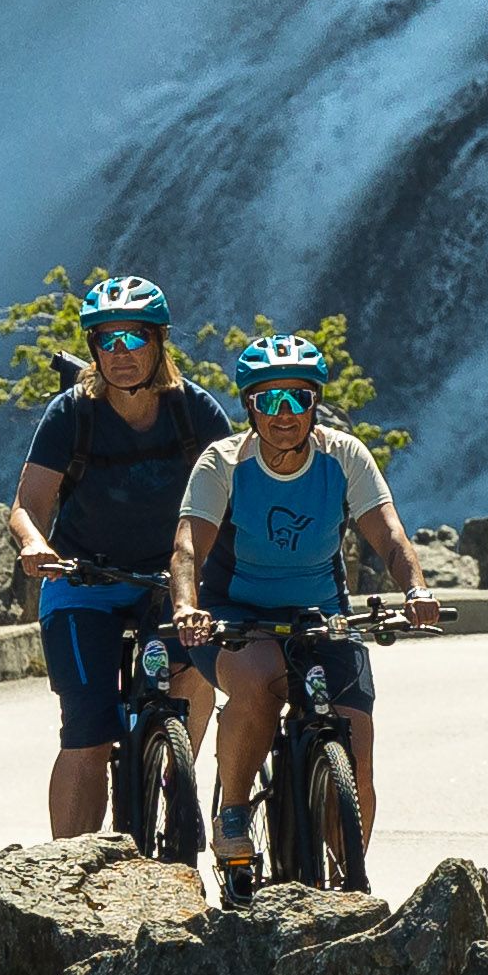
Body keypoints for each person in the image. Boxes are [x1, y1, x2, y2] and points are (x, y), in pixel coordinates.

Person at [167, 334, 440, 876]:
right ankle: (234, 815)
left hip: (322, 616)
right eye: (269, 400)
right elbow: (187, 547)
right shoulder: (224, 462)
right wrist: (186, 606)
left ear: (315, 403)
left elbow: (388, 536)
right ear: (250, 406)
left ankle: (348, 874)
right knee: (261, 678)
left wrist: (417, 589)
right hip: (232, 615)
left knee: (356, 744)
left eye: (297, 399)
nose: (284, 413)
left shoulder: (344, 457)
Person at [6, 274, 233, 838]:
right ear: (93, 349)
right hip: (86, 581)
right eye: (107, 340)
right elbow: (27, 505)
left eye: (134, 338)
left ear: (159, 343)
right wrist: (35, 544)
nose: (121, 353)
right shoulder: (72, 414)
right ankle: (67, 871)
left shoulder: (194, 412)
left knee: (198, 669)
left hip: (170, 581)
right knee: (87, 731)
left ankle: (173, 766)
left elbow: (235, 500)